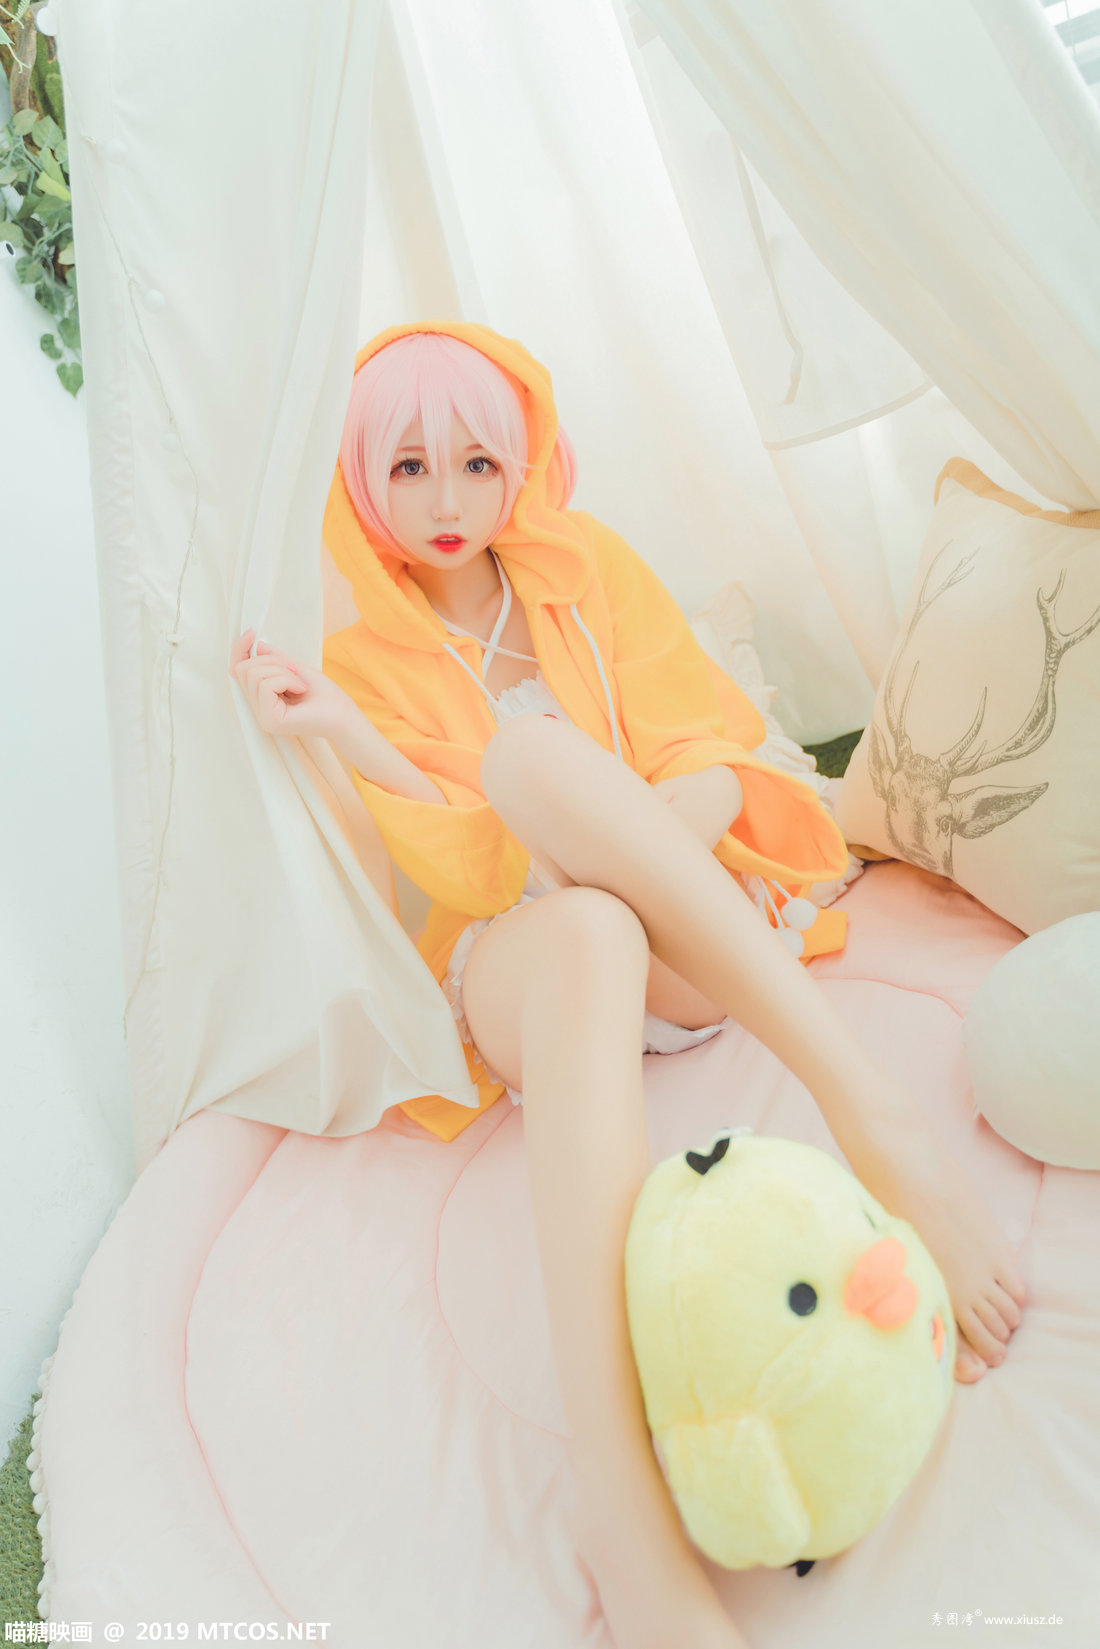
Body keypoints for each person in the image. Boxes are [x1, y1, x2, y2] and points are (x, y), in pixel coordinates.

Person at [229, 320, 1026, 1649]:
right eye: (408, 466)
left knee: (540, 777)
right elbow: (465, 869)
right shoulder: (365, 655)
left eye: (477, 463)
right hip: (531, 963)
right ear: (363, 481)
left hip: (684, 937)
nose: (445, 499)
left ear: (522, 460)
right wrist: (347, 732)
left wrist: (622, 834)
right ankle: (624, 1509)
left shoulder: (586, 570)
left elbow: (712, 753)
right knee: (568, 887)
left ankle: (868, 1107)